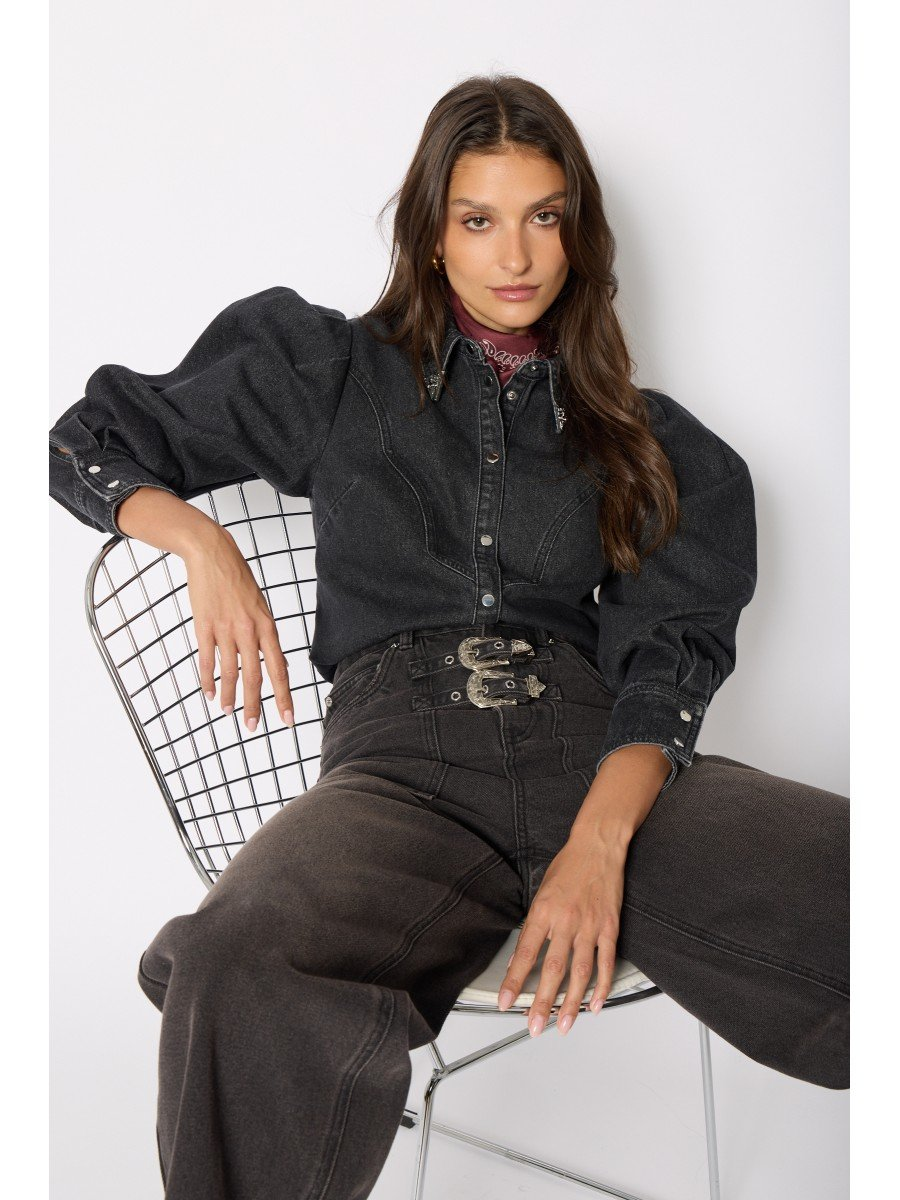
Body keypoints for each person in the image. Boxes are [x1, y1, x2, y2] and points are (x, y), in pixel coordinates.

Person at [49, 74, 849, 1200]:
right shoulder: (329, 372)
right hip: (398, 780)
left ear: (579, 233)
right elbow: (89, 438)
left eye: (544, 216)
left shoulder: (654, 444)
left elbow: (664, 670)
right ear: (431, 235)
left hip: (599, 765)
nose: (514, 255)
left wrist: (596, 850)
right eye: (478, 220)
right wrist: (199, 539)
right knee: (236, 959)